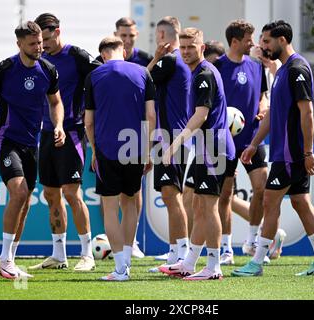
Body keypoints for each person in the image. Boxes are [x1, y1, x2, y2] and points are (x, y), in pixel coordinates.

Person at [0, 21, 66, 279]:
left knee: (26, 202)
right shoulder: (4, 70)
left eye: (40, 41)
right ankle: (4, 260)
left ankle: (11, 260)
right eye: (32, 43)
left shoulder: (48, 70)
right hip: (5, 140)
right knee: (18, 194)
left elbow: (56, 102)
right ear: (19, 44)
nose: (39, 47)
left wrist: (59, 125)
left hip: (33, 143)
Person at [232, 20, 314, 277]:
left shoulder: (296, 68)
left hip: (291, 154)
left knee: (269, 200)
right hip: (284, 152)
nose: (263, 46)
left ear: (282, 40)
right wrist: (254, 144)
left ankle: (257, 261)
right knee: (300, 202)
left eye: (267, 41)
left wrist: (308, 152)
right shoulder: (282, 71)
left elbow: (307, 112)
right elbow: (271, 116)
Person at [159, 27, 235, 280]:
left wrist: (174, 145)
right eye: (183, 47)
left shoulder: (204, 74)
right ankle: (189, 262)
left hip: (214, 147)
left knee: (209, 207)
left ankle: (213, 267)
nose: (186, 51)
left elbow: (200, 116)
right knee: (200, 205)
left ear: (202, 47)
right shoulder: (197, 73)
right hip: (206, 148)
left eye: (192, 46)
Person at [28, 13, 100, 272]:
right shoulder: (38, 59)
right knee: (50, 195)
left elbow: (101, 78)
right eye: (39, 40)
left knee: (71, 193)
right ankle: (59, 255)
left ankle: (87, 255)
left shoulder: (77, 56)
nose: (42, 45)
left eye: (46, 39)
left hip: (71, 132)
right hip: (45, 133)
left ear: (58, 32)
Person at [84, 36, 156, 281]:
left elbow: (89, 122)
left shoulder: (94, 76)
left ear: (103, 55)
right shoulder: (143, 73)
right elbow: (151, 116)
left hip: (106, 149)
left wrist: (94, 150)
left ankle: (120, 268)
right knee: (130, 204)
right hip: (134, 148)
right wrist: (147, 150)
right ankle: (126, 261)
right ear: (123, 51)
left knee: (110, 209)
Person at [213, 20, 269, 265]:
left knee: (262, 188)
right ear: (235, 41)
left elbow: (262, 97)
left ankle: (252, 241)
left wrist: (263, 108)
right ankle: (226, 249)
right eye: (249, 39)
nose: (253, 44)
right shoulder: (216, 67)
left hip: (253, 139)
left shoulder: (257, 65)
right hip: (225, 141)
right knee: (225, 194)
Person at [147, 17, 192, 267]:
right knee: (170, 195)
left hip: (170, 138)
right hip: (171, 137)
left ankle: (182, 254)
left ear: (163, 36)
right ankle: (176, 252)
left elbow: (140, 80)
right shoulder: (176, 62)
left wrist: (154, 57)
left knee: (171, 195)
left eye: (157, 36)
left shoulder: (170, 60)